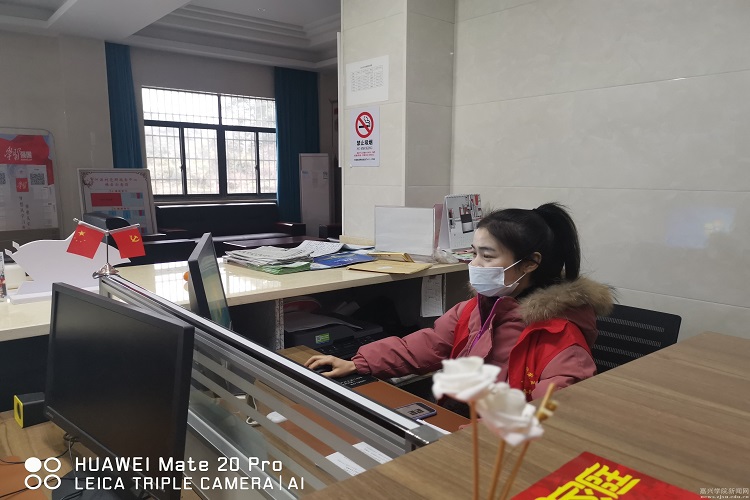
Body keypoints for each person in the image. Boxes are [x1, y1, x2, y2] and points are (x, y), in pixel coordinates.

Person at [305, 203, 614, 401]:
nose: (474, 264)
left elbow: (552, 414)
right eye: (474, 253)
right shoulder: (476, 309)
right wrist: (359, 362)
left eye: (487, 256)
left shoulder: (559, 337)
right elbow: (427, 345)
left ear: (530, 263)